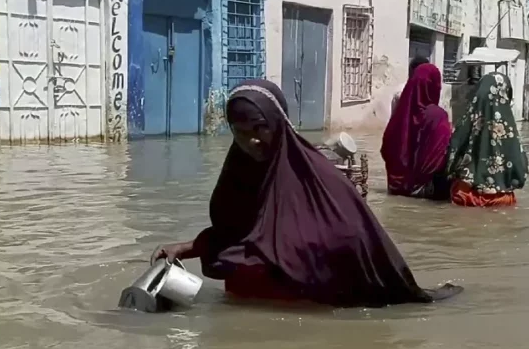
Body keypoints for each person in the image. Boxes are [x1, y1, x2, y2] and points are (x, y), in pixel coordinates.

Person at [150, 79, 462, 307]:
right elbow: (236, 232)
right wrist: (187, 247)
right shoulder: (238, 177)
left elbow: (353, 237)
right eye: (239, 132)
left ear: (278, 124)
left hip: (301, 316)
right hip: (243, 315)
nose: (251, 141)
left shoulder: (323, 182)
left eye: (260, 128)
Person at [445, 72, 529, 207]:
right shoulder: (510, 133)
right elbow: (521, 171)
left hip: (466, 197)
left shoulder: (465, 125)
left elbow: (451, 158)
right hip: (502, 200)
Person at [381, 63, 452, 199]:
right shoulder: (438, 116)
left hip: (397, 188)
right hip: (426, 192)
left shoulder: (398, 118)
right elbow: (438, 159)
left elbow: (386, 149)